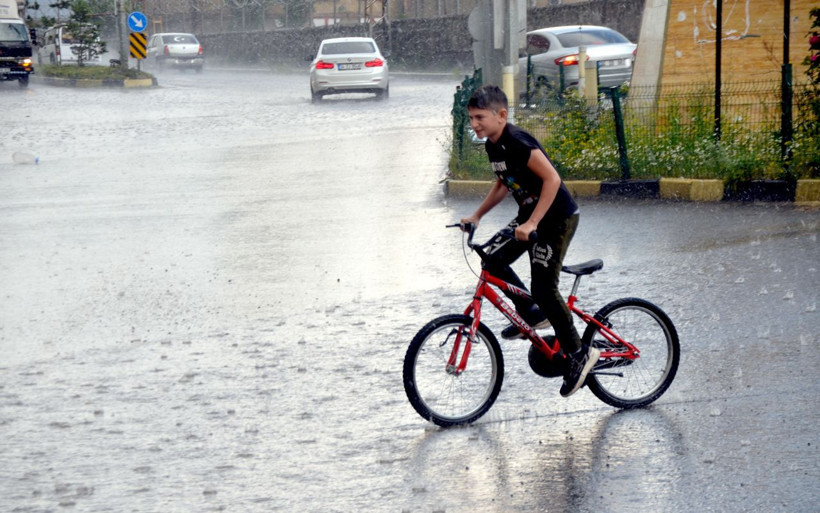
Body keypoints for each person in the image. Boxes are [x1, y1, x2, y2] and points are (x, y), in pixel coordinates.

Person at [460, 85, 600, 397]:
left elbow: (552, 179)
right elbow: (503, 183)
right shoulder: (493, 147)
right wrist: (477, 215)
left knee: (544, 287)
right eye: (471, 118)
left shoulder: (517, 141)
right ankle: (533, 314)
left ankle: (579, 354)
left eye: (480, 117)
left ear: (501, 115)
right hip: (530, 216)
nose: (474, 124)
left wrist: (533, 222)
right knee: (492, 258)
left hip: (556, 217)